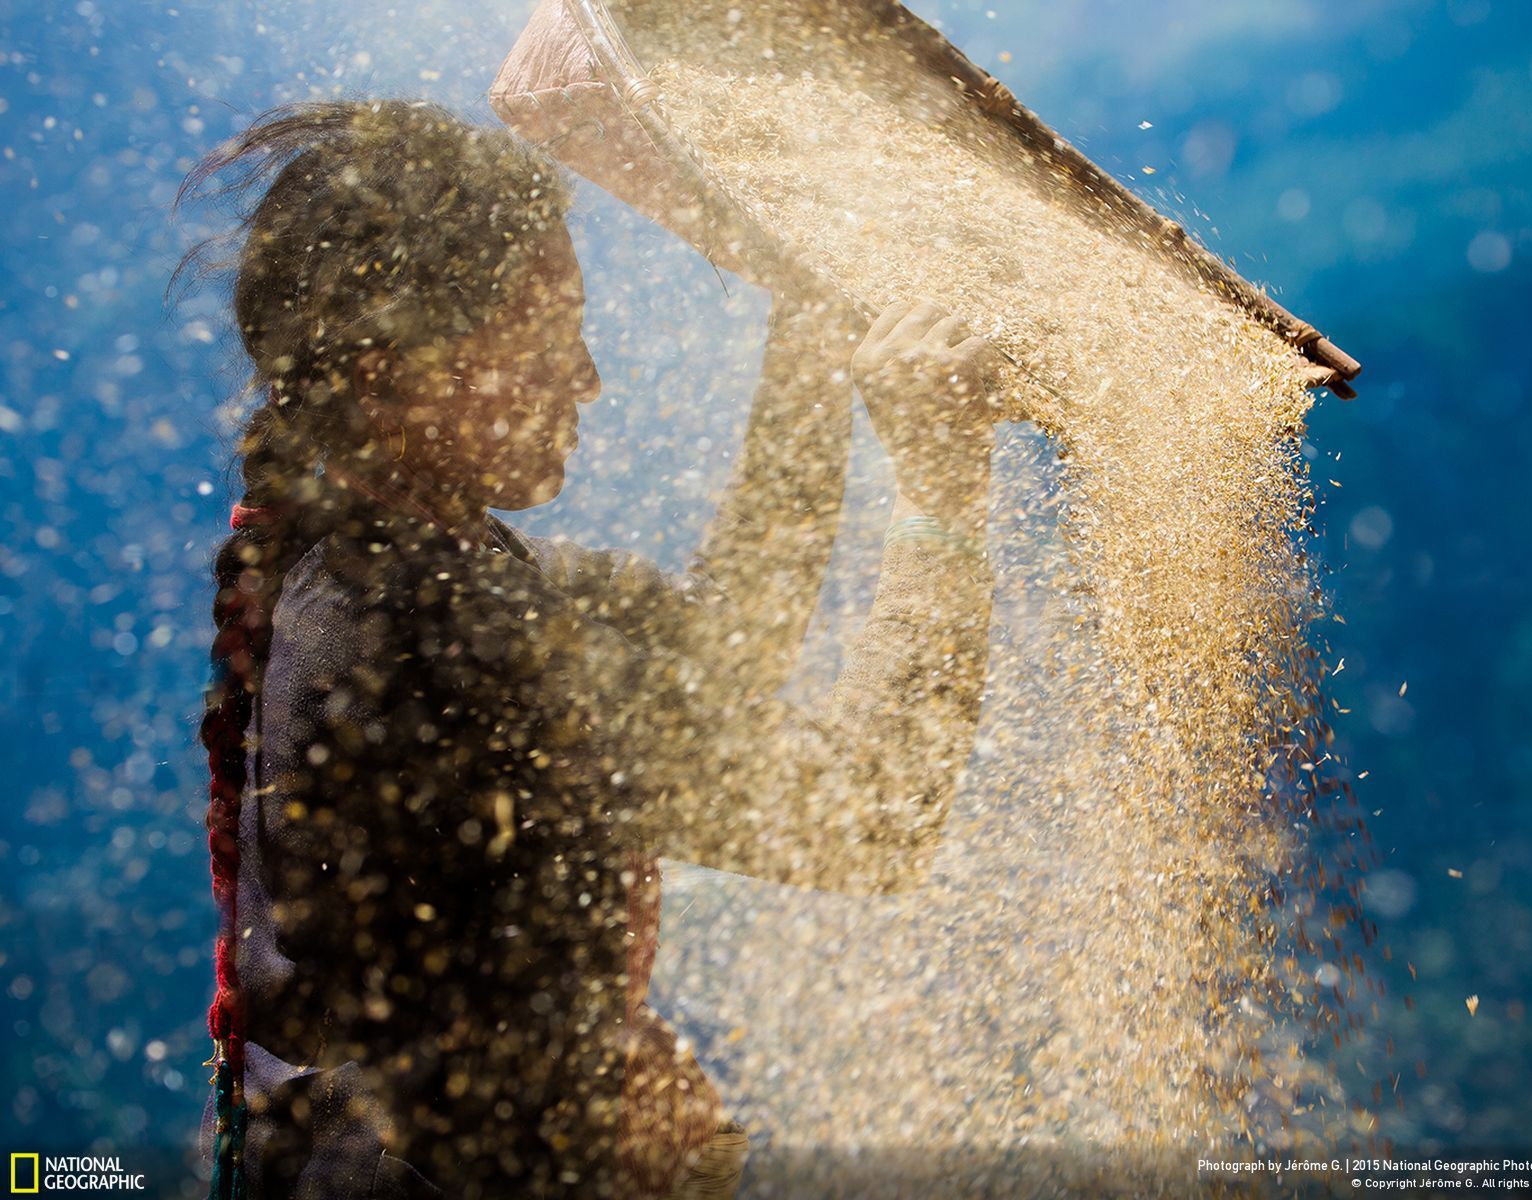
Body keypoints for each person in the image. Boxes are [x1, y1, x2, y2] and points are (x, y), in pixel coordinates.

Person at [179, 99, 997, 1200]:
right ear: (389, 373)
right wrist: (944, 484)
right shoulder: (440, 633)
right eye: (544, 336)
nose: (587, 377)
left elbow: (720, 649)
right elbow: (872, 816)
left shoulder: (376, 568)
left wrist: (806, 338)